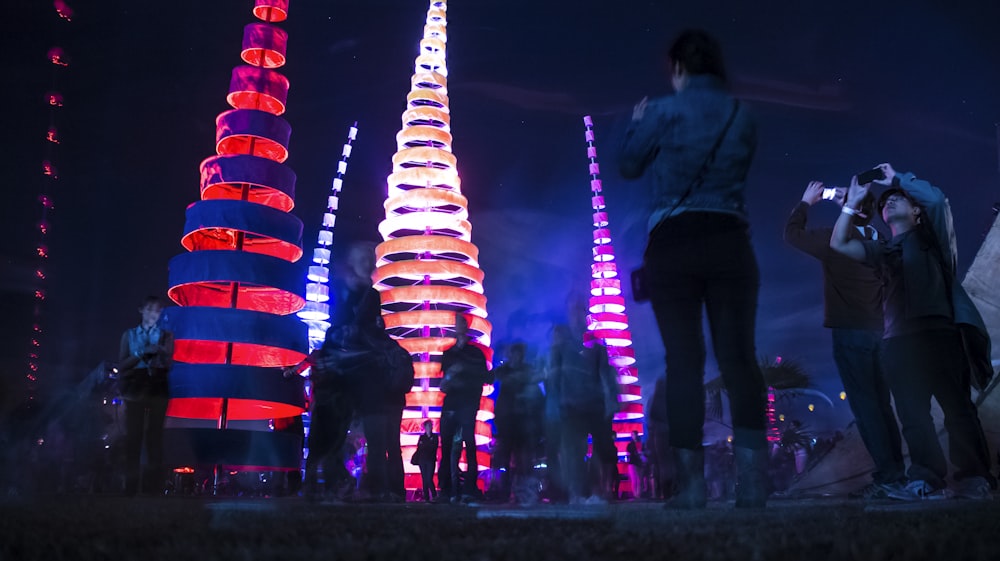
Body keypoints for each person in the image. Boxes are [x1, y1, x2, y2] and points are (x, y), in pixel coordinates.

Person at [617, 28, 768, 508]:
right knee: (739, 358)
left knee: (683, 361)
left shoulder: (662, 110)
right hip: (729, 239)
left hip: (674, 243)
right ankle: (752, 484)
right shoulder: (743, 114)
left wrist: (638, 122)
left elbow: (628, 165)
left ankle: (693, 485)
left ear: (678, 68)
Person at [830, 163, 996, 500]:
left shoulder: (932, 240)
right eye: (885, 203)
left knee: (958, 410)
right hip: (897, 342)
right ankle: (925, 479)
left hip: (940, 334)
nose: (888, 203)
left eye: (898, 200)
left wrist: (894, 179)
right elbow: (839, 244)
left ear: (917, 213)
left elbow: (936, 200)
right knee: (912, 415)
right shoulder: (882, 251)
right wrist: (852, 203)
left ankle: (974, 478)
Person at [783, 181, 906, 498]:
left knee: (866, 408)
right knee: (882, 406)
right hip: (880, 331)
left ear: (853, 206)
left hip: (850, 332)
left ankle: (889, 477)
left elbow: (792, 235)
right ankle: (896, 473)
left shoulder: (833, 239)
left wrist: (806, 202)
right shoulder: (880, 240)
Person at [548, 308, 619, 505]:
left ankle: (593, 491)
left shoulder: (596, 345)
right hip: (571, 405)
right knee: (574, 451)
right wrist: (554, 403)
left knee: (597, 449)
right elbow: (554, 377)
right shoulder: (561, 347)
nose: (576, 315)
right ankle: (576, 492)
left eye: (579, 309)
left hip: (594, 404)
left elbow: (606, 372)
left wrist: (612, 398)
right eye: (573, 310)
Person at [117, 295, 174, 496]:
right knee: (134, 436)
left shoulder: (166, 335)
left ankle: (153, 488)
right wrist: (142, 354)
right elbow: (122, 365)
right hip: (135, 384)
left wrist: (160, 353)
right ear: (141, 310)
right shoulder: (130, 335)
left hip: (158, 384)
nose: (153, 314)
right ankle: (131, 487)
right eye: (150, 309)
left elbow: (169, 364)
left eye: (157, 311)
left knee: (155, 437)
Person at [437, 312, 493, 504]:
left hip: (468, 405)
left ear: (466, 327)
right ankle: (445, 490)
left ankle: (469, 488)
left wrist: (466, 375)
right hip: (451, 405)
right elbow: (442, 384)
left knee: (469, 446)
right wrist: (452, 376)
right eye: (455, 323)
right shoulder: (449, 354)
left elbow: (486, 378)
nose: (457, 326)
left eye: (460, 323)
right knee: (445, 447)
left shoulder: (476, 354)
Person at [491, 341, 545, 504]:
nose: (516, 357)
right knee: (507, 458)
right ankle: (506, 491)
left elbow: (537, 392)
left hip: (521, 421)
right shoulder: (505, 370)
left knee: (523, 459)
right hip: (508, 420)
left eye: (518, 354)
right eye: (514, 353)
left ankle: (523, 491)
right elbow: (494, 376)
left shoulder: (526, 371)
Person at [414, 420, 439, 502]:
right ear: (424, 428)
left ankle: (434, 496)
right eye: (427, 426)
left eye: (430, 426)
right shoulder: (422, 437)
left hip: (430, 460)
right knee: (424, 479)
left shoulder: (435, 437)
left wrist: (425, 445)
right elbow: (420, 448)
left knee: (429, 478)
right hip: (422, 460)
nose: (428, 428)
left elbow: (433, 447)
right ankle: (427, 498)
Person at [626, 430, 647, 500]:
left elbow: (642, 452)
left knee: (639, 479)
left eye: (634, 434)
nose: (633, 436)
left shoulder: (640, 444)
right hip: (632, 462)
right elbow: (628, 454)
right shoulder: (630, 445)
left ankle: (638, 494)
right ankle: (635, 494)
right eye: (632, 435)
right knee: (634, 479)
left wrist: (642, 455)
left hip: (639, 462)